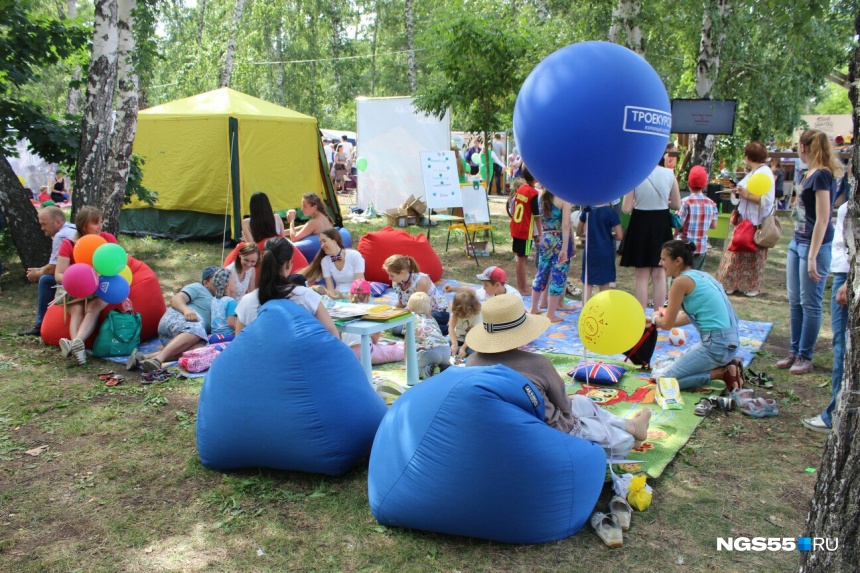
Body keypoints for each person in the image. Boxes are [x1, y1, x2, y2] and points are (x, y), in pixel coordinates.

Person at [467, 294, 651, 458]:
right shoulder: (538, 364)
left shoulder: (472, 361)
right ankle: (631, 434)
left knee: (582, 403)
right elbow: (564, 407)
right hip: (550, 435)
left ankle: (631, 425)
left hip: (503, 431)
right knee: (619, 439)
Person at [776, 129, 843, 375]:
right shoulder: (808, 173)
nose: (797, 151)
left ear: (804, 148)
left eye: (797, 147)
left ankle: (806, 355)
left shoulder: (823, 176)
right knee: (795, 301)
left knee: (810, 303)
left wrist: (813, 256)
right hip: (797, 242)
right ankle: (794, 351)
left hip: (814, 245)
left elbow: (824, 219)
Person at [651, 241, 743, 392]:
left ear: (678, 261)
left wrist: (655, 319)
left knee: (663, 380)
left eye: (663, 259)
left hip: (716, 346)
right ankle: (726, 366)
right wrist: (657, 320)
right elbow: (687, 318)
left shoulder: (680, 282)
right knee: (669, 367)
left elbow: (667, 324)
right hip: (729, 343)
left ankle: (721, 373)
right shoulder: (703, 276)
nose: (660, 263)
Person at [803, 201, 849, 433]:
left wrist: (850, 281)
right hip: (845, 271)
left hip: (849, 275)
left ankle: (836, 415)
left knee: (843, 347)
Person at [54, 207, 120, 365]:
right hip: (76, 287)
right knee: (77, 309)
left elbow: (119, 265)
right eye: (95, 223)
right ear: (84, 226)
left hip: (102, 286)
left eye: (100, 222)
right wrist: (77, 281)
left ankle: (74, 343)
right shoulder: (68, 244)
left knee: (94, 306)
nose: (100, 227)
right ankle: (79, 348)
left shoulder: (107, 239)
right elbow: (58, 275)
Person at [234, 237, 338, 337]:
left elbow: (239, 344)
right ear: (289, 264)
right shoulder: (307, 296)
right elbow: (333, 335)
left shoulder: (247, 301)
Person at [129, 266, 218, 372]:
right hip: (177, 321)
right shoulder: (198, 287)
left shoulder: (221, 300)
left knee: (202, 350)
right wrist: (186, 310)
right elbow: (176, 299)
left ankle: (145, 358)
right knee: (197, 329)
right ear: (206, 282)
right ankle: (158, 360)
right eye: (216, 280)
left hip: (183, 339)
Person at [715, 141, 775, 298]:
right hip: (745, 220)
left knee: (753, 255)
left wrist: (746, 194)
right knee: (737, 252)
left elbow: (766, 200)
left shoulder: (764, 173)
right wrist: (738, 191)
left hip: (756, 222)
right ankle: (731, 283)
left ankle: (752, 286)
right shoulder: (753, 172)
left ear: (749, 157)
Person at [621, 162, 682, 309]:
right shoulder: (669, 174)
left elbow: (626, 208)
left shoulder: (635, 172)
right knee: (660, 274)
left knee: (641, 277)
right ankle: (659, 316)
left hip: (640, 223)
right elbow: (677, 204)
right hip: (661, 223)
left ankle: (640, 318)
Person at [19, 206, 78, 336]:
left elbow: (53, 268)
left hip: (78, 280)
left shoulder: (61, 235)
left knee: (45, 280)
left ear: (57, 222)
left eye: (44, 224)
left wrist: (38, 273)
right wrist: (40, 269)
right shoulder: (73, 228)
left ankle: (39, 325)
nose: (42, 228)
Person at [530, 188, 576, 323]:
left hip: (545, 238)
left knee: (541, 273)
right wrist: (565, 247)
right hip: (559, 239)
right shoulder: (564, 197)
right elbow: (566, 224)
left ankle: (534, 308)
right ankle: (550, 314)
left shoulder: (541, 195)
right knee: (558, 275)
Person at [340, 279, 405, 364]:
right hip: (366, 353)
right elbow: (376, 334)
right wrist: (376, 344)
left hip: (347, 354)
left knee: (384, 345)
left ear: (350, 296)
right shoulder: (371, 310)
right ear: (367, 297)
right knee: (402, 349)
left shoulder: (343, 310)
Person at [383, 254, 450, 335]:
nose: (389, 278)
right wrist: (387, 312)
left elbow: (417, 307)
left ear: (402, 272)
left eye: (391, 275)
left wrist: (398, 317)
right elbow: (401, 302)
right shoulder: (396, 282)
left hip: (437, 313)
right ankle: (436, 328)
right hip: (416, 313)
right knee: (393, 325)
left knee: (398, 328)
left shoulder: (421, 281)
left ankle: (449, 330)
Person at [577, 203, 623, 302]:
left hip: (590, 250)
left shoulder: (587, 210)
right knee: (604, 282)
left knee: (587, 282)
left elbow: (578, 232)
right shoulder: (611, 212)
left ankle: (585, 311)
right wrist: (611, 236)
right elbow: (620, 235)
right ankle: (602, 311)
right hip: (605, 250)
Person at [301, 228, 365, 298]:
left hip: (358, 295)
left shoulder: (354, 255)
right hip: (338, 295)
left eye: (324, 241)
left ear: (334, 240)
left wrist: (345, 296)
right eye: (321, 243)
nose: (322, 245)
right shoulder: (325, 261)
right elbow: (330, 289)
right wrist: (334, 297)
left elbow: (359, 284)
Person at [676, 165, 718, 271]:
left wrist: (674, 235)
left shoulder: (685, 202)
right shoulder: (711, 203)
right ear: (704, 185)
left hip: (684, 246)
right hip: (701, 247)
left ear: (688, 183)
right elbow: (714, 225)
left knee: (680, 277)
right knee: (696, 278)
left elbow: (679, 223)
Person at [509, 166, 542, 295]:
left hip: (516, 228)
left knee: (520, 258)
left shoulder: (522, 188)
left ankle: (521, 286)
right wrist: (540, 234)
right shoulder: (533, 193)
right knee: (523, 260)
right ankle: (523, 288)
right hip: (524, 231)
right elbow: (537, 217)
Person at [407, 292, 450, 381]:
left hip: (430, 353)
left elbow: (407, 344)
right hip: (446, 350)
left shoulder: (410, 319)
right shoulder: (432, 318)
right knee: (438, 360)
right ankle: (444, 367)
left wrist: (407, 364)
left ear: (409, 308)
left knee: (413, 370)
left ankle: (428, 371)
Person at [444, 266, 523, 304]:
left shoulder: (514, 298)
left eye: (486, 285)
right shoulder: (491, 291)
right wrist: (454, 289)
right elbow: (473, 292)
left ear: (497, 285)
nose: (484, 288)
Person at [448, 290, 482, 364]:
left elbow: (472, 334)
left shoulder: (477, 315)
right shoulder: (456, 312)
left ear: (473, 309)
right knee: (443, 345)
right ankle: (456, 352)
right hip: (456, 338)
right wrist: (454, 344)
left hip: (470, 341)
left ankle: (461, 352)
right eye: (461, 315)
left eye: (467, 315)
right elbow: (451, 327)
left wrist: (463, 348)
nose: (463, 317)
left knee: (476, 352)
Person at [208, 269, 238, 343]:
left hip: (213, 335)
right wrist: (242, 330)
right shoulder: (231, 302)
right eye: (234, 282)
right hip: (227, 335)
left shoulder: (214, 299)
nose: (236, 284)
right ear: (227, 285)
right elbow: (231, 323)